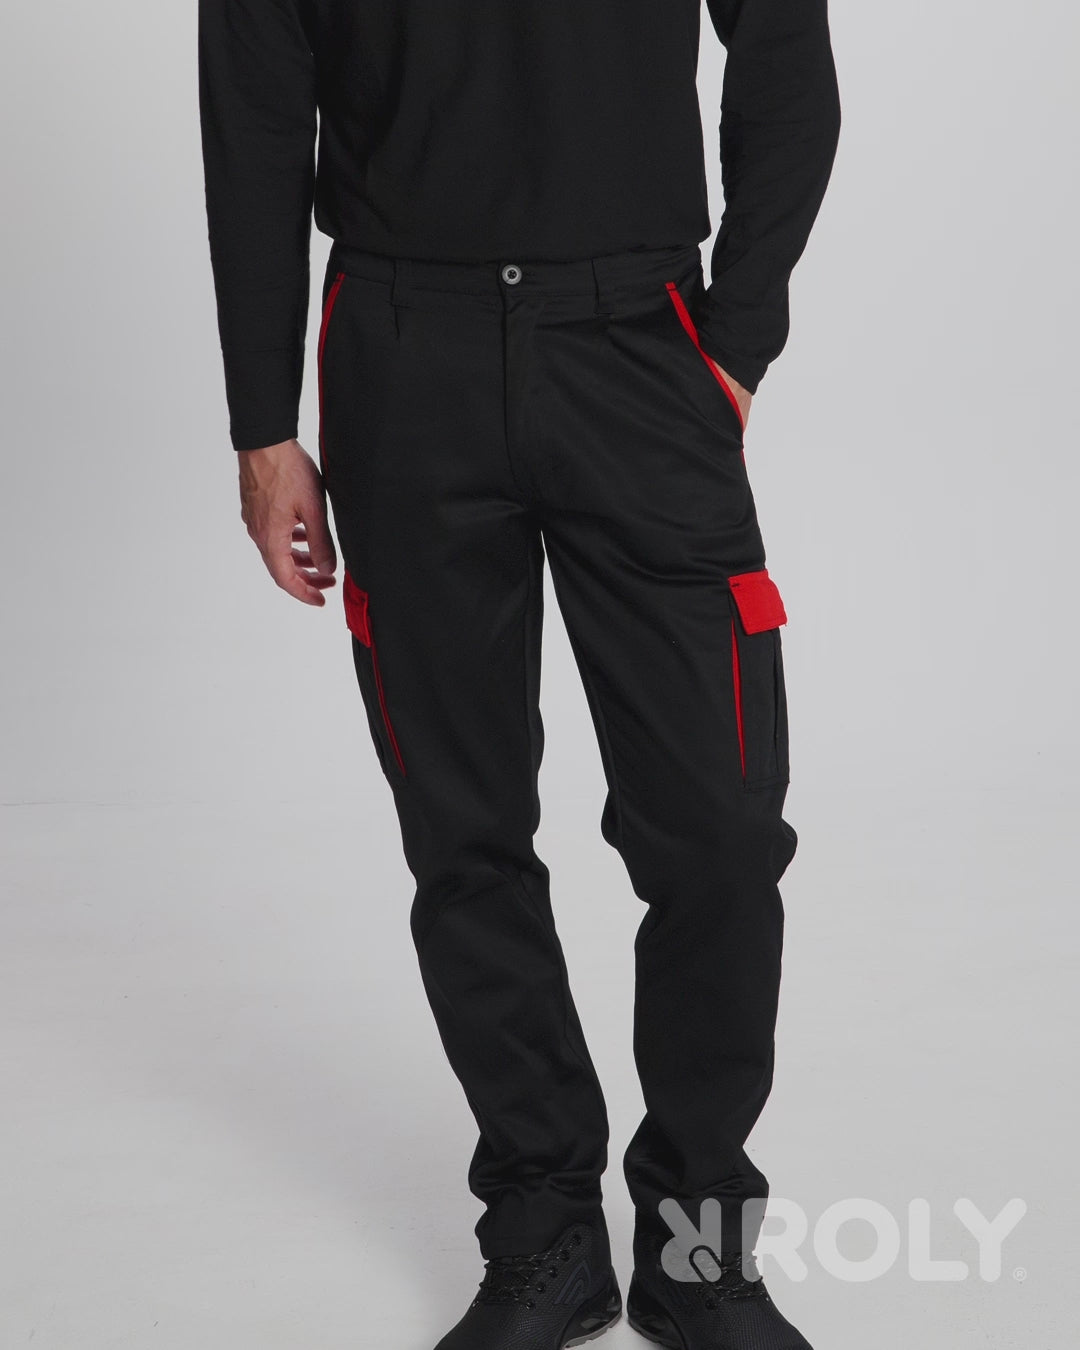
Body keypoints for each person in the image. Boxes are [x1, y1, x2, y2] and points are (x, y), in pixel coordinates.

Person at [198, 2, 840, 1346]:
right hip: (399, 346)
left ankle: (699, 1248)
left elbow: (783, 43)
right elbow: (255, 102)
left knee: (720, 829)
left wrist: (738, 335)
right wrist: (262, 422)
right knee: (464, 828)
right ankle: (545, 1230)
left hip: (640, 338)